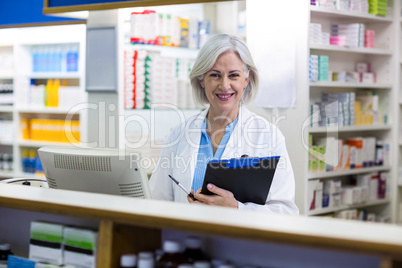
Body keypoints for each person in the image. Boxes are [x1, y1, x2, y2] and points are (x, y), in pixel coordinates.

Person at [149, 34, 299, 215]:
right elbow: (157, 201)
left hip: (238, 242)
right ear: (201, 80)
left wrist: (236, 209)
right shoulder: (179, 135)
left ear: (246, 79)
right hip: (188, 239)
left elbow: (286, 212)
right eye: (215, 75)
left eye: (234, 75)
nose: (225, 85)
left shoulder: (268, 136)